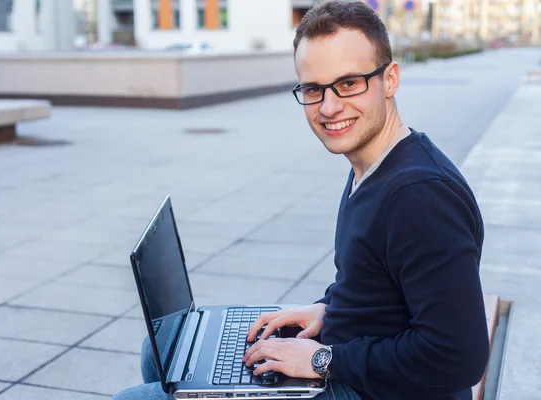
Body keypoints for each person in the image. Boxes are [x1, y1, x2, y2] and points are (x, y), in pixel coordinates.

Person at [113, 1, 489, 399]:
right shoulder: (375, 164)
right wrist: (328, 309)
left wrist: (320, 360)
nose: (329, 107)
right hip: (360, 356)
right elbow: (380, 280)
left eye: (349, 83)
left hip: (382, 390)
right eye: (313, 88)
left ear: (390, 79)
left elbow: (459, 356)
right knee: (161, 352)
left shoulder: (418, 197)